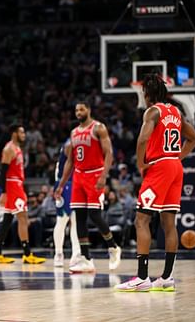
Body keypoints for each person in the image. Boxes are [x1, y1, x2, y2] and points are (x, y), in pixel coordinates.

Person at [116, 75, 195, 292]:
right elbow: (194, 138)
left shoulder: (153, 111)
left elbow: (142, 139)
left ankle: (142, 277)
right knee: (169, 224)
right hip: (174, 168)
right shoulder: (176, 112)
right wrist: (177, 157)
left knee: (141, 220)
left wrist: (141, 164)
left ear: (147, 94)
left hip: (159, 168)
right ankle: (167, 278)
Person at [54, 100, 121, 273]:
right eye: (76, 110)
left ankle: (113, 248)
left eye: (82, 109)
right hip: (78, 177)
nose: (78, 112)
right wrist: (61, 185)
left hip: (95, 175)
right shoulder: (74, 132)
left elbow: (109, 154)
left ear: (89, 110)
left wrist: (103, 176)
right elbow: (70, 161)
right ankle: (86, 259)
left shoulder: (99, 128)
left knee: (95, 215)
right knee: (80, 218)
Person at [0, 125, 46, 265]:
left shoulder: (17, 148)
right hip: (12, 185)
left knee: (8, 219)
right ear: (14, 133)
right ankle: (27, 254)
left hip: (16, 184)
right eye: (21, 132)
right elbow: (2, 171)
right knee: (23, 218)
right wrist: (4, 192)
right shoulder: (9, 149)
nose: (24, 134)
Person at [53, 139, 81, 268]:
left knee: (76, 220)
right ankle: (58, 253)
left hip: (75, 184)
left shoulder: (76, 143)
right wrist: (60, 185)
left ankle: (76, 254)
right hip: (65, 185)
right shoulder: (70, 144)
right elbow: (65, 167)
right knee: (62, 220)